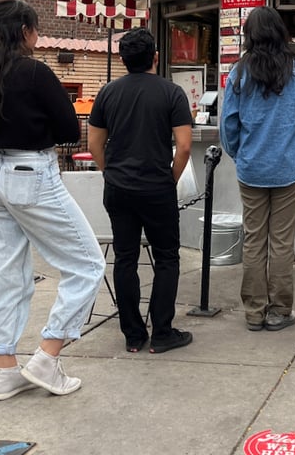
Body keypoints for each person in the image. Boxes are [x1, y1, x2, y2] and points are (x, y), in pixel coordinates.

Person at [0, 0, 105, 401]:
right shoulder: (34, 72)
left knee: (2, 269)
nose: (38, 35)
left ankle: (5, 371)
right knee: (86, 264)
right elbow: (67, 128)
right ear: (24, 31)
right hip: (32, 174)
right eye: (35, 28)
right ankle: (48, 356)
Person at [87, 27, 194, 354]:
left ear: (122, 59)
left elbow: (94, 144)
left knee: (125, 258)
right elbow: (185, 147)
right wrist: (169, 179)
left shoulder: (108, 93)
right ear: (156, 58)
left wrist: (111, 173)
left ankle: (133, 334)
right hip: (157, 186)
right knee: (166, 258)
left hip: (119, 188)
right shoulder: (172, 93)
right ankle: (162, 331)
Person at [220, 7, 295, 332]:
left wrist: (240, 155)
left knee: (253, 240)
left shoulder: (238, 73)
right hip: (289, 168)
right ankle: (279, 311)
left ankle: (253, 312)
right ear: (281, 33)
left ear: (249, 34)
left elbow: (228, 125)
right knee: (281, 242)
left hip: (251, 169)